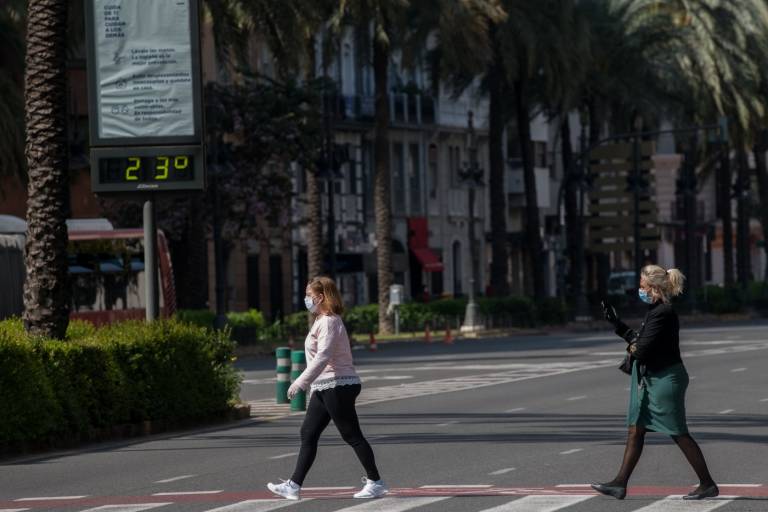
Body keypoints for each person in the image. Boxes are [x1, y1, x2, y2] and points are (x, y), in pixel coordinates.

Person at [593, 265, 719, 500]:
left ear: (653, 287)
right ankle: (620, 483)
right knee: (636, 429)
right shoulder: (655, 311)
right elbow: (641, 341)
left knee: (677, 432)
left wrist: (633, 347)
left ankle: (707, 484)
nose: (640, 290)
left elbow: (642, 348)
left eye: (642, 286)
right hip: (655, 378)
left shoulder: (663, 312)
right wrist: (617, 324)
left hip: (666, 380)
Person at [267, 276, 387, 501]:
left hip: (338, 384)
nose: (306, 299)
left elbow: (323, 356)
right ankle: (293, 485)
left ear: (321, 297)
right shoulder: (321, 320)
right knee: (308, 433)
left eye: (309, 296)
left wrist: (300, 382)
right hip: (325, 386)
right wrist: (310, 384)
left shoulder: (330, 321)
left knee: (351, 435)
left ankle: (376, 482)